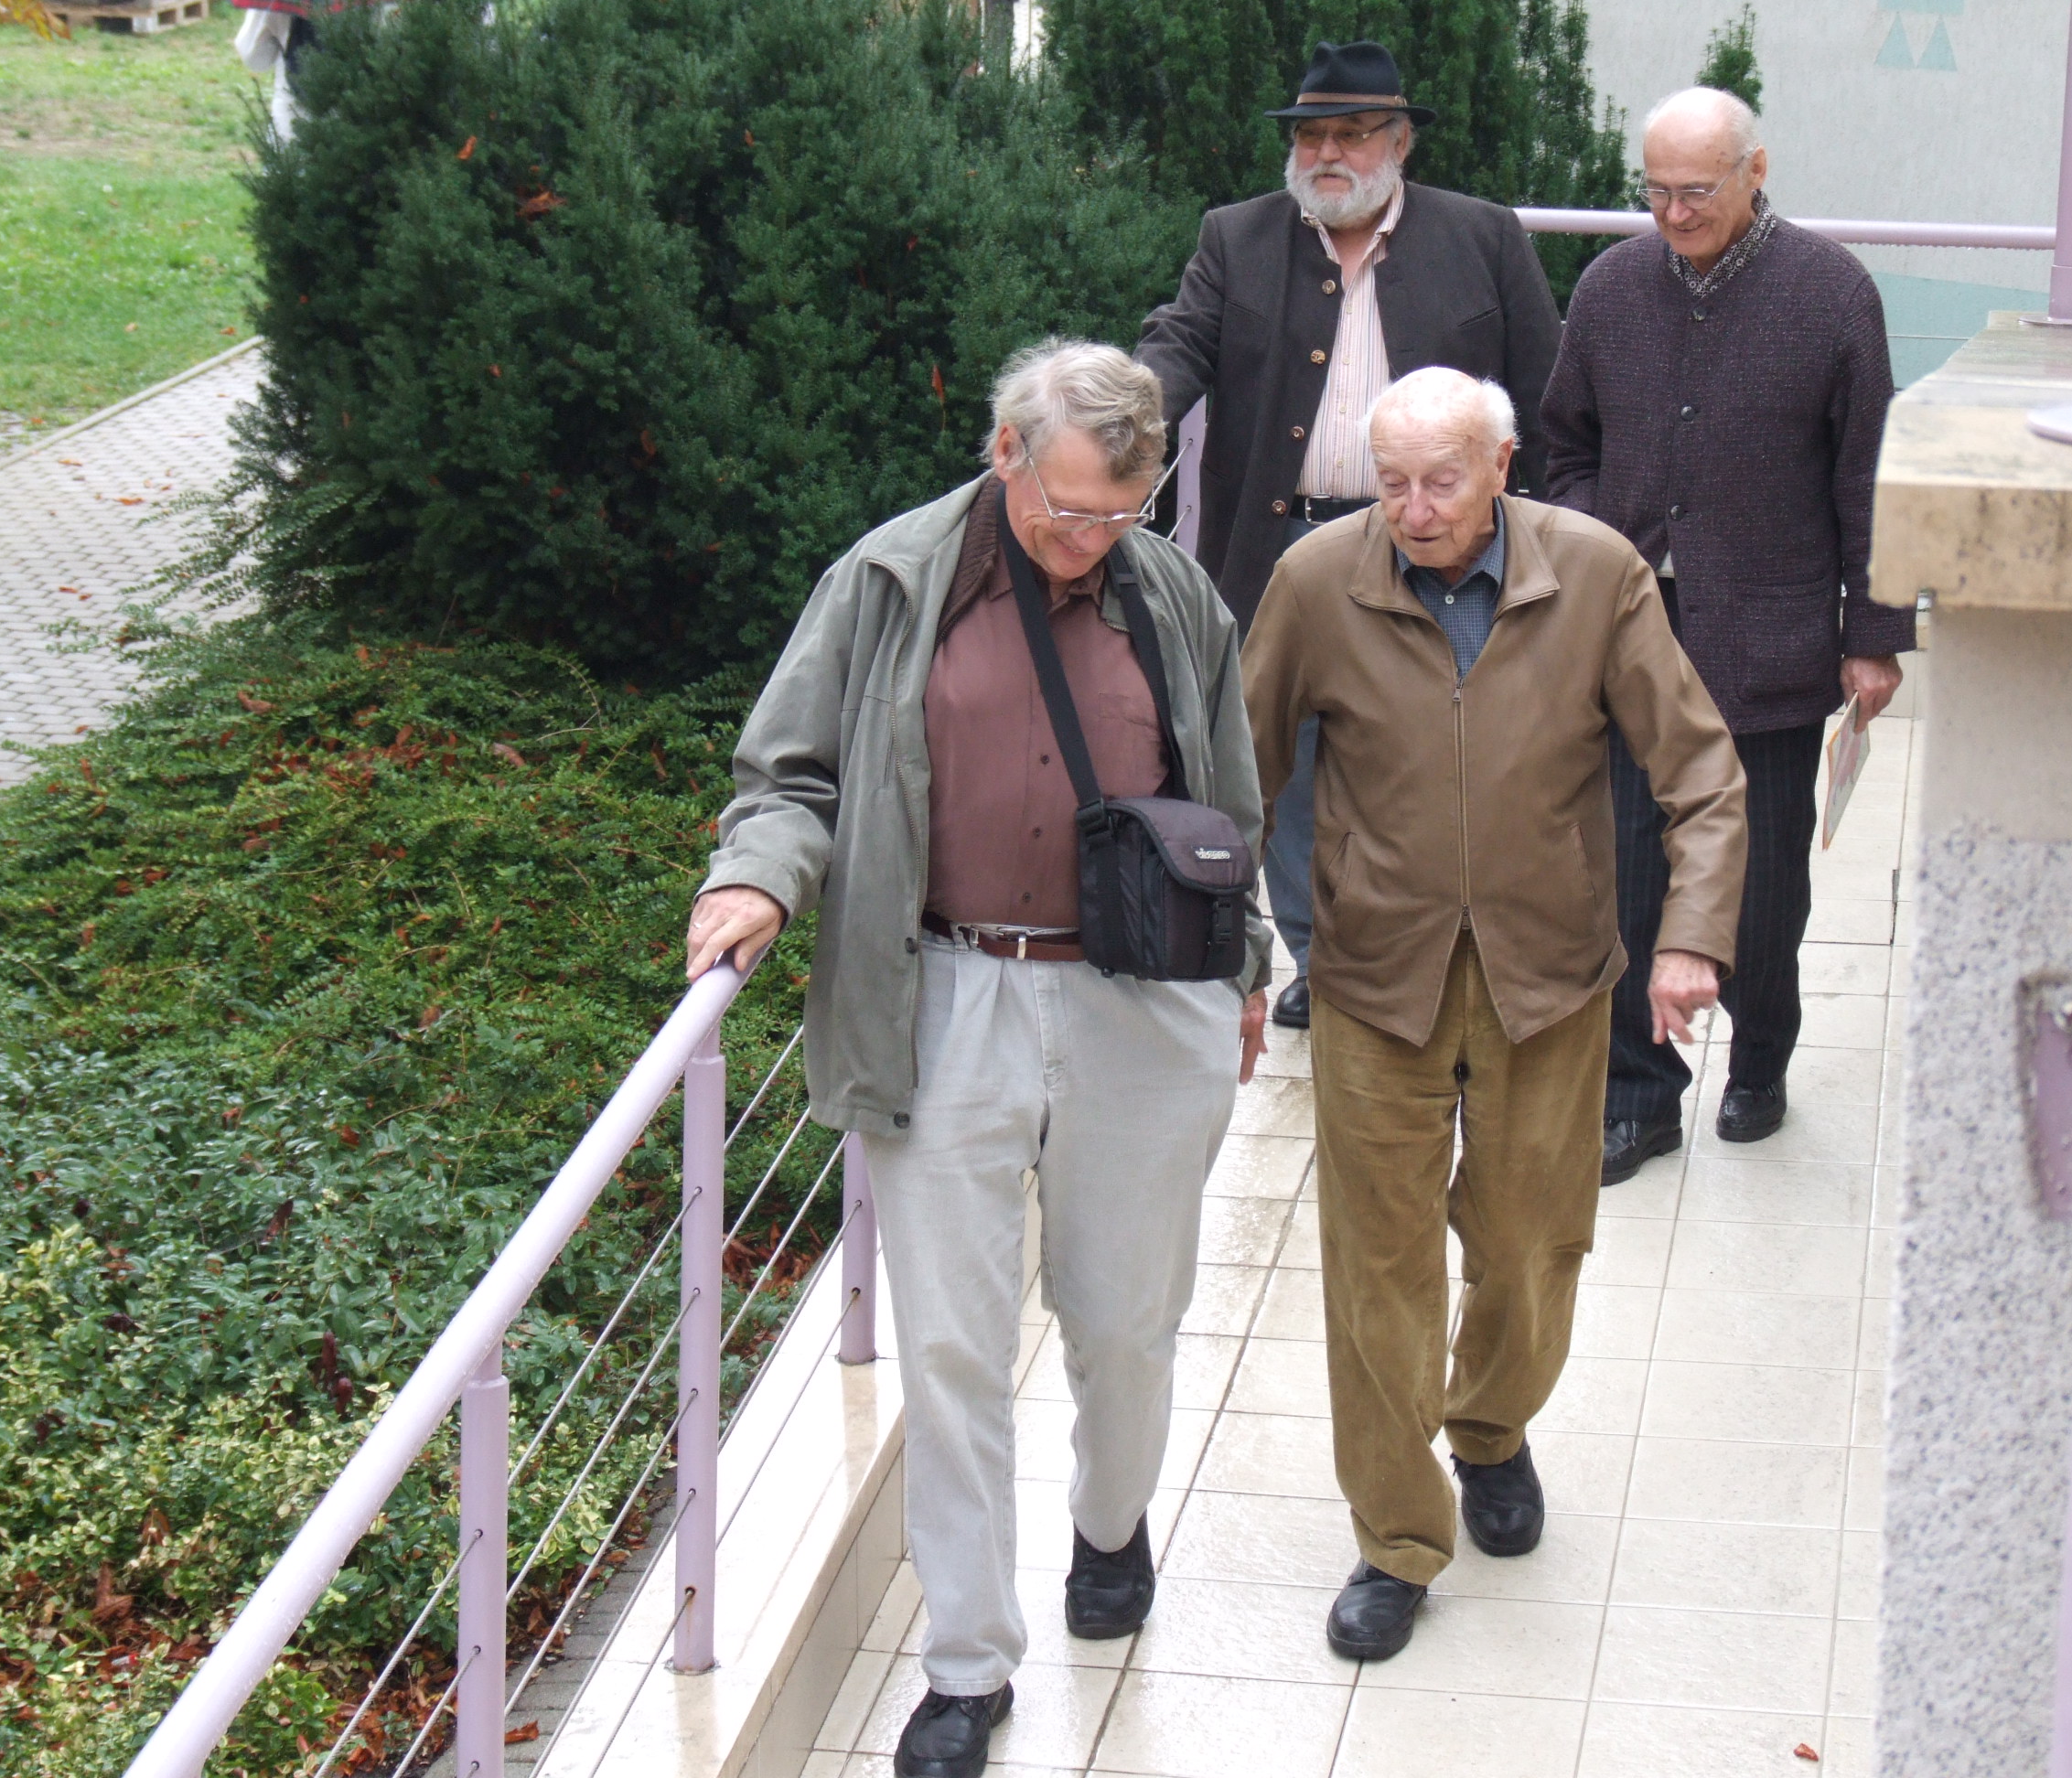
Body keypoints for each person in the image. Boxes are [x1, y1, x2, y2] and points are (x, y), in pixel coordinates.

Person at [684, 340, 1272, 1778]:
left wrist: (1245, 959)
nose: (1091, 539)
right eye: (1067, 509)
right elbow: (790, 771)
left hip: (1142, 1003)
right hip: (945, 992)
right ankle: (966, 1663)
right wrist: (759, 876)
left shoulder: (1168, 590)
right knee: (951, 1345)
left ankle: (1111, 1524)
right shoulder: (892, 581)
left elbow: (1227, 792)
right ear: (1006, 454)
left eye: (1121, 512)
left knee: (1126, 1321)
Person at [1244, 367, 1745, 1660]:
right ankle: (1397, 1538)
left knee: (1532, 1245)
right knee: (1378, 1268)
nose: (1414, 511)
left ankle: (1490, 1425)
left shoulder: (1597, 575)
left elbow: (1700, 770)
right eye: (1391, 484)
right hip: (1375, 978)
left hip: (1549, 976)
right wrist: (1230, 954)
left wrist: (1691, 938)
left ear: (1503, 466)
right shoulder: (1317, 582)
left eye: (1441, 482)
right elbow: (1240, 770)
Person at [1137, 38, 1562, 1034]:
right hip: (1280, 552)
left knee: (1431, 756)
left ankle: (1430, 946)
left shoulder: (1483, 237)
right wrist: (1116, 422)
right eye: (1310, 136)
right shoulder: (1236, 237)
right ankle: (1321, 958)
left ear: (1400, 142)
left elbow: (1548, 391)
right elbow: (1176, 346)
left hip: (1435, 547)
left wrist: (1549, 534)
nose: (1327, 153)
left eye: (1352, 134)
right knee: (1279, 762)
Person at [1540, 86, 1914, 1184]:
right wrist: (1596, 544)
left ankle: (1759, 1060)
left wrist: (1873, 632)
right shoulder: (1609, 289)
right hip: (1630, 635)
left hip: (1772, 637)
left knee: (1763, 883)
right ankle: (1638, 1097)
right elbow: (1566, 445)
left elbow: (1868, 477)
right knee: (1626, 874)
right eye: (1655, 192)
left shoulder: (1833, 294)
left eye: (1696, 190)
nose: (1674, 213)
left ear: (1757, 170)